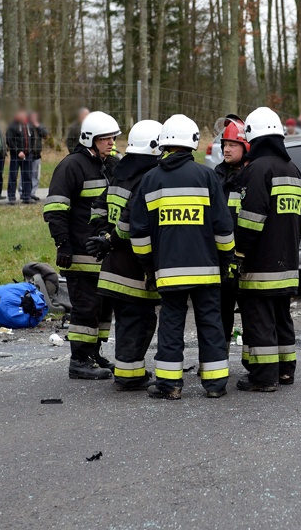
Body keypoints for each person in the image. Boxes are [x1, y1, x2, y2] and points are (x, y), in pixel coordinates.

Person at [129, 114, 234, 400]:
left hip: (168, 271)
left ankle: (169, 385)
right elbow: (223, 228)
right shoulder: (207, 176)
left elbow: (138, 234)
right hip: (207, 271)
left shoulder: (150, 180)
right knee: (211, 323)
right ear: (193, 143)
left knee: (171, 325)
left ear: (163, 144)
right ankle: (215, 385)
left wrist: (149, 267)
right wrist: (225, 262)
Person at [85, 120, 163, 391]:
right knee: (140, 321)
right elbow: (132, 223)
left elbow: (99, 206)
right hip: (133, 267)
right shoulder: (146, 177)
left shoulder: (121, 172)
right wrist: (112, 237)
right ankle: (130, 375)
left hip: (113, 264)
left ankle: (128, 370)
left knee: (129, 320)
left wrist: (103, 233)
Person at [44, 111, 121, 380]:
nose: (111, 142)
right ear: (90, 139)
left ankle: (93, 354)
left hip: (103, 254)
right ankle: (78, 360)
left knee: (102, 309)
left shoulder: (111, 164)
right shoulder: (72, 166)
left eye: (113, 138)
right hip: (78, 252)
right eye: (105, 139)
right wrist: (63, 244)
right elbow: (55, 208)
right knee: (85, 308)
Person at [235, 106, 301, 392]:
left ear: (253, 139)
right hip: (288, 263)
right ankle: (286, 371)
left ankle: (264, 377)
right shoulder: (294, 170)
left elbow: (251, 219)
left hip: (260, 264)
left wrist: (238, 252)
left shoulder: (257, 170)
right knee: (282, 317)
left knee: (260, 318)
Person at [213, 115, 248, 353]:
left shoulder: (251, 176)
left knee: (251, 312)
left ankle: (255, 362)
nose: (226, 148)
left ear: (245, 147)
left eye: (232, 144)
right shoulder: (216, 175)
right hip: (222, 257)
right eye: (225, 144)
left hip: (245, 257)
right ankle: (218, 357)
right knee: (220, 312)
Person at [5, 109, 33, 204]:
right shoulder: (12, 125)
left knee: (27, 176)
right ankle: (11, 197)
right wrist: (18, 151)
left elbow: (32, 138)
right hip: (16, 155)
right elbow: (9, 140)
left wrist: (30, 150)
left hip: (27, 155)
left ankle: (27, 196)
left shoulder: (28, 125)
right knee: (13, 176)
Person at [28, 111, 49, 201]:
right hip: (28, 153)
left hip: (37, 154)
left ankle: (33, 192)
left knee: (36, 175)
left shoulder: (39, 126)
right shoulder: (26, 126)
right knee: (26, 174)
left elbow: (46, 135)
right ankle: (23, 192)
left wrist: (38, 126)